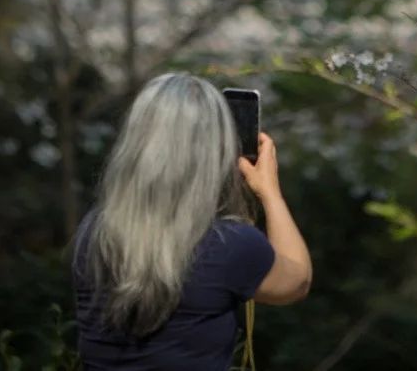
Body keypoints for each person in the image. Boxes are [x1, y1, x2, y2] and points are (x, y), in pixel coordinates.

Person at [71, 72, 312, 370]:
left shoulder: (93, 231)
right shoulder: (230, 244)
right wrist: (270, 193)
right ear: (218, 150)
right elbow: (296, 282)